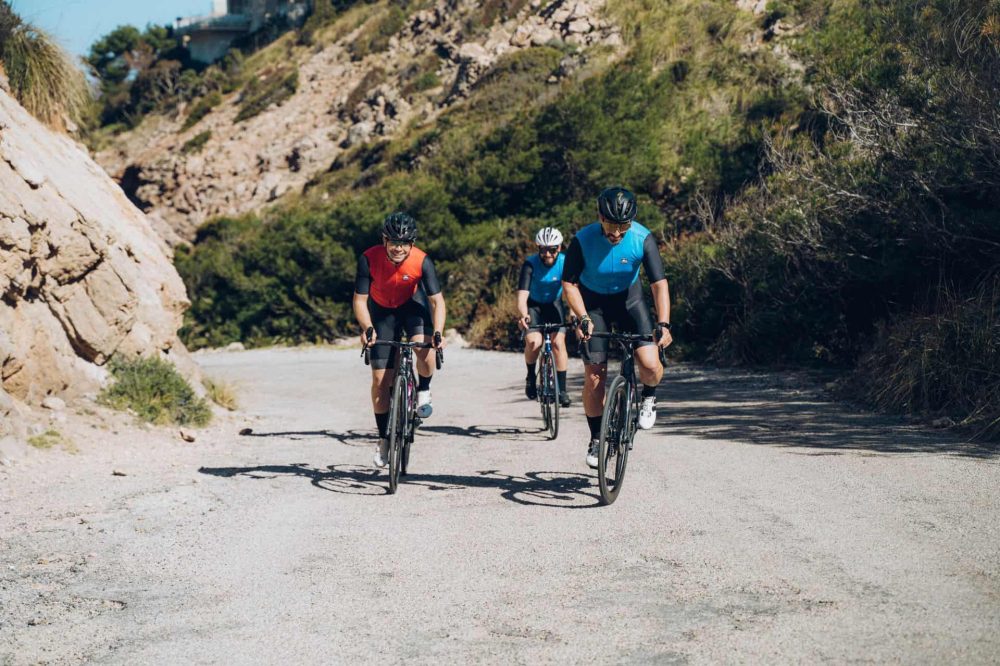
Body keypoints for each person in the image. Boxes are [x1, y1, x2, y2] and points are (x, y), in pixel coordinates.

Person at [561, 187, 673, 469]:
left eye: (623, 226)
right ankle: (597, 438)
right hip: (593, 304)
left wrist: (663, 324)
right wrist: (582, 317)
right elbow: (568, 284)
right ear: (600, 217)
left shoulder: (642, 238)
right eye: (611, 225)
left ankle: (648, 396)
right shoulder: (583, 240)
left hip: (629, 301)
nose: (616, 233)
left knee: (649, 363)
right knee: (595, 377)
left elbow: (659, 284)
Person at [353, 212, 446, 468]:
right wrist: (367, 327)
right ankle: (384, 439)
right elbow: (360, 301)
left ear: (412, 244)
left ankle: (423, 389)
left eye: (404, 243)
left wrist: (437, 333)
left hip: (412, 307)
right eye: (393, 242)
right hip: (382, 312)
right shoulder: (368, 259)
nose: (398, 248)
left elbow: (437, 301)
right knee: (380, 381)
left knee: (422, 345)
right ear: (384, 240)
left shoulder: (422, 260)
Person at [516, 227, 571, 408]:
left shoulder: (565, 262)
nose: (547, 253)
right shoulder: (530, 264)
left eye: (552, 249)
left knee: (558, 343)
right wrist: (523, 315)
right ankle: (531, 376)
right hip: (534, 306)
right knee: (534, 342)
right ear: (538, 248)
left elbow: (572, 291)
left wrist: (573, 312)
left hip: (554, 305)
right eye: (543, 249)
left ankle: (562, 389)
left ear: (559, 248)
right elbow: (522, 295)